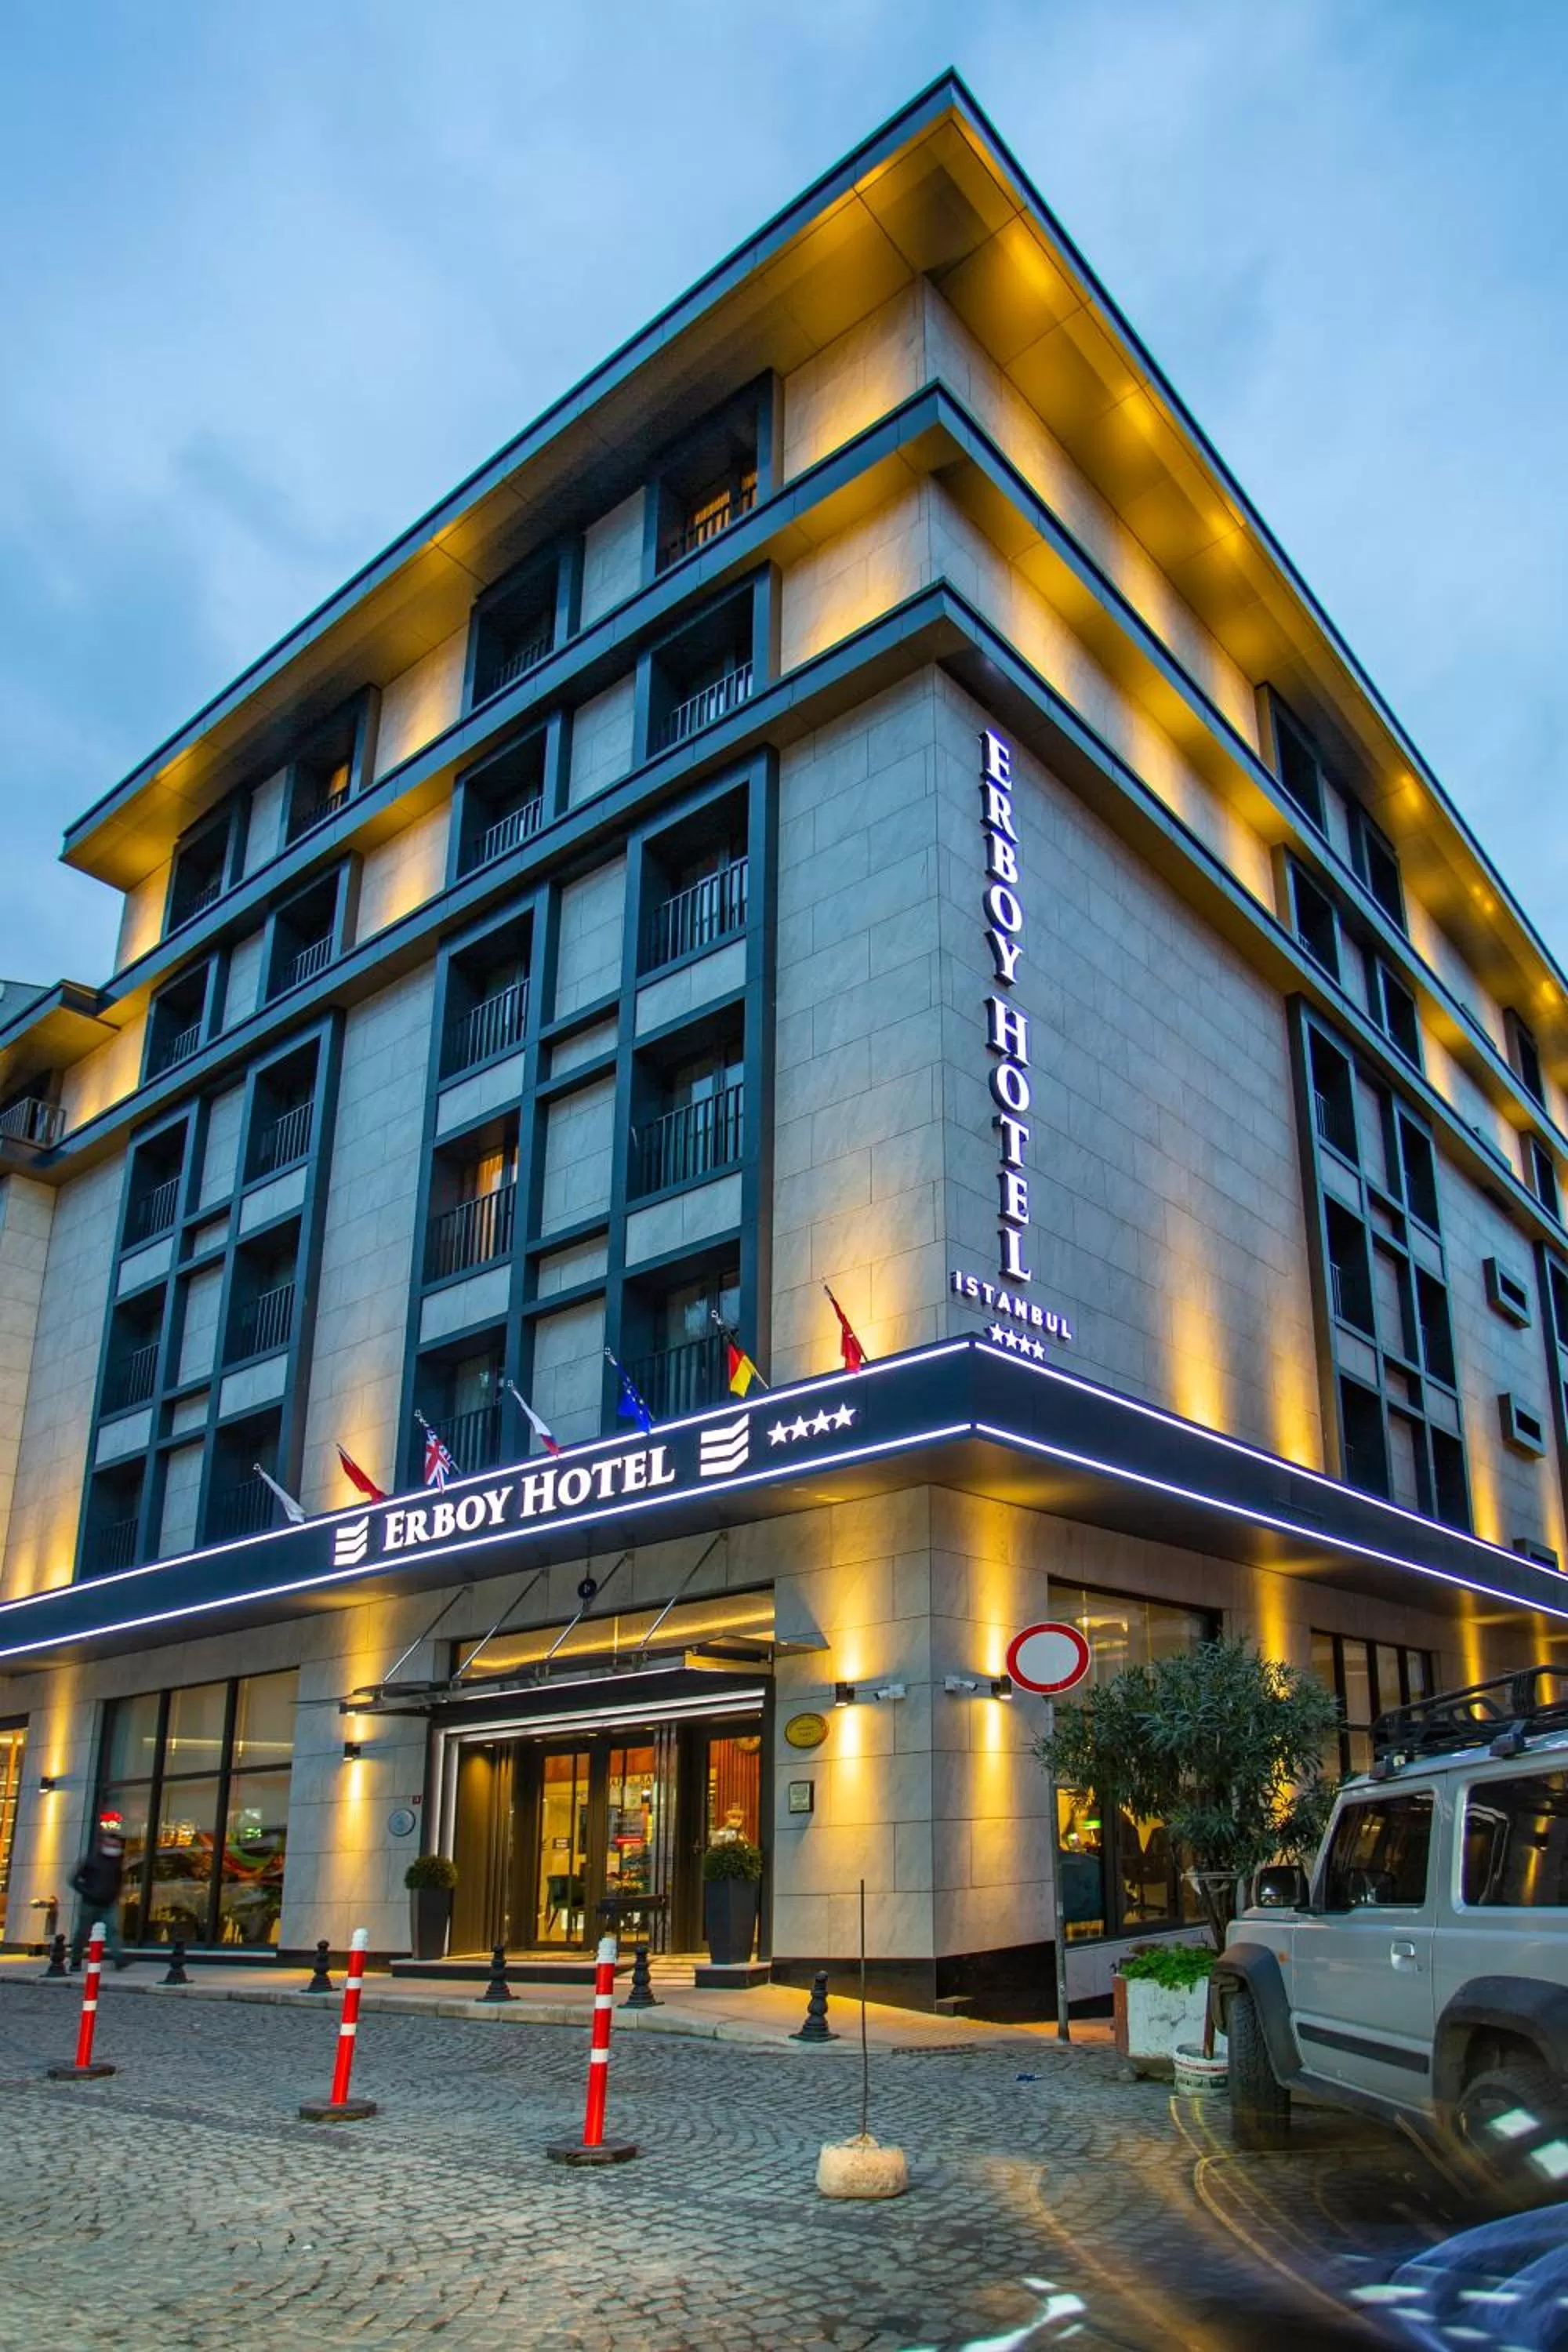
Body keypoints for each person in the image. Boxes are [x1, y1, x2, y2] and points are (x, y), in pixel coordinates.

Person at [69, 1810, 129, 1970]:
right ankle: (75, 1959)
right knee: (83, 1932)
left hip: (108, 1903)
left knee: (113, 1930)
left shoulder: (117, 1862)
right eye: (112, 1845)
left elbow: (118, 1880)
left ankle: (118, 1959)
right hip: (90, 1902)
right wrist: (88, 1892)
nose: (114, 1848)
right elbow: (74, 1879)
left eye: (116, 1845)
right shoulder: (92, 1860)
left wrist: (116, 1895)